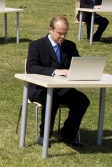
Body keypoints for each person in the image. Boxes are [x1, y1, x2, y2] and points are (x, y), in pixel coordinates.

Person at [25, 16, 89, 147]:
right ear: (50, 30)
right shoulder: (37, 45)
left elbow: (77, 64)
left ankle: (67, 134)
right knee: (51, 99)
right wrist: (54, 71)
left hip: (62, 88)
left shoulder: (70, 46)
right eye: (60, 33)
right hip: (39, 88)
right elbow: (31, 67)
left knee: (82, 100)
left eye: (65, 33)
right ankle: (44, 135)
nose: (63, 37)